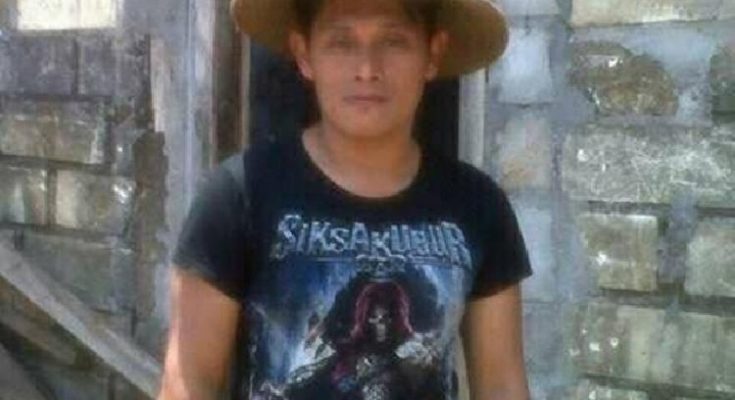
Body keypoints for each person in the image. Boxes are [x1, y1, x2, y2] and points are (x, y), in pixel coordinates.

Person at [157, 0, 534, 399]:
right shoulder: (239, 194)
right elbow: (187, 383)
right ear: (305, 55)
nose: (367, 69)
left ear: (432, 54)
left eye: (393, 42)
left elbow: (502, 385)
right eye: (341, 43)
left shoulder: (477, 206)